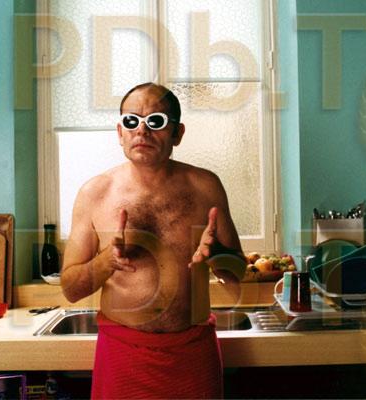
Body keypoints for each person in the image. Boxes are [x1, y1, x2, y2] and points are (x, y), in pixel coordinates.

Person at [61, 82, 246, 399]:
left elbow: (236, 272)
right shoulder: (94, 194)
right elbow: (71, 288)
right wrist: (106, 261)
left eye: (156, 121)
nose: (142, 131)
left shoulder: (206, 187)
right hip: (123, 356)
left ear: (177, 133)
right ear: (120, 132)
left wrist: (217, 255)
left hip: (193, 356)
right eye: (132, 121)